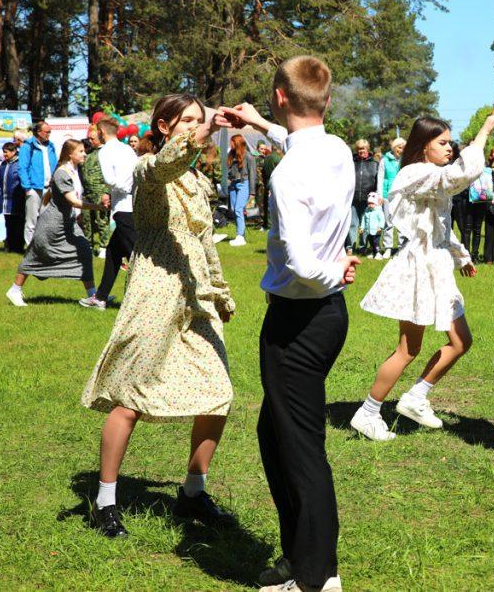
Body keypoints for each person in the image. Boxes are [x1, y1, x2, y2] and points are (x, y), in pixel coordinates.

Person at [215, 57, 357, 592]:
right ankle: (300, 558)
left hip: (301, 316)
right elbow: (297, 137)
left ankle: (318, 577)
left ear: (280, 94)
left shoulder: (289, 172)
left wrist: (333, 272)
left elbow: (300, 262)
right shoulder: (335, 147)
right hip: (322, 315)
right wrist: (256, 122)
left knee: (299, 448)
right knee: (275, 436)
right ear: (324, 99)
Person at [81, 94, 237, 539]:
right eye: (187, 121)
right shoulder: (147, 170)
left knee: (217, 393)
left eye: (199, 121)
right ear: (165, 127)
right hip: (154, 293)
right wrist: (202, 132)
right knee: (130, 396)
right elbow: (167, 163)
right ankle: (105, 500)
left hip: (195, 295)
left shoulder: (197, 182)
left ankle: (192, 491)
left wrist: (220, 291)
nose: (195, 127)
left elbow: (204, 242)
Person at [352, 115, 494, 442]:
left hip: (435, 266)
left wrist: (461, 257)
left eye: (450, 143)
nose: (450, 148)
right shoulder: (416, 173)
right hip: (418, 270)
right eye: (443, 143)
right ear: (423, 145)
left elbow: (439, 226)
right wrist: (484, 132)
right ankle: (370, 412)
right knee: (408, 348)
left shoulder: (429, 174)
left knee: (457, 342)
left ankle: (413, 397)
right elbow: (461, 174)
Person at [5, 139, 107, 306]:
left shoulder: (74, 170)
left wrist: (78, 215)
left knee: (84, 252)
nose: (84, 154)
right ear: (70, 154)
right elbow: (73, 201)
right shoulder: (62, 173)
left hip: (68, 223)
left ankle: (92, 295)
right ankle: (15, 290)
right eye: (80, 151)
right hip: (51, 226)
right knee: (34, 257)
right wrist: (98, 207)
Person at [79, 119, 139, 310]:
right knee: (113, 252)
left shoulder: (105, 151)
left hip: (124, 208)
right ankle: (101, 297)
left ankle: (155, 297)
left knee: (138, 257)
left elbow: (110, 179)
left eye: (95, 132)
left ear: (102, 132)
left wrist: (118, 189)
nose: (92, 135)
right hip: (132, 205)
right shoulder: (128, 149)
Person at [18, 120, 57, 247]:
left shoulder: (51, 146)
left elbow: (55, 165)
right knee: (31, 220)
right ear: (39, 132)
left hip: (49, 188)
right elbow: (22, 168)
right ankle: (30, 247)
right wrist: (27, 187)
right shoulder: (27, 146)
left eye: (50, 132)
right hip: (34, 188)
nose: (49, 134)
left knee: (47, 219)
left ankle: (44, 246)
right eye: (47, 132)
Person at [79, 121, 112, 259]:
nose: (90, 141)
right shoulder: (89, 153)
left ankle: (104, 247)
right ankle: (89, 245)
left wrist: (107, 192)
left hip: (100, 192)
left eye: (93, 139)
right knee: (87, 221)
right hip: (87, 193)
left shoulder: (107, 153)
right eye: (90, 139)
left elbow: (110, 175)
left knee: (102, 220)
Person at [376, 136, 406, 258]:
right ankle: (387, 248)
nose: (401, 150)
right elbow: (380, 178)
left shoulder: (405, 160)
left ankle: (400, 247)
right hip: (387, 194)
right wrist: (380, 195)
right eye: (399, 147)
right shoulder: (385, 160)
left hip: (401, 194)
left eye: (404, 147)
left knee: (400, 222)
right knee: (388, 222)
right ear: (394, 148)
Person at [224, 134, 256, 246]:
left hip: (243, 184)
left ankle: (240, 236)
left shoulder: (249, 156)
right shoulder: (231, 154)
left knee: (238, 209)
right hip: (232, 185)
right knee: (233, 209)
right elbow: (228, 171)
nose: (230, 144)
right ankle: (240, 235)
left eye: (231, 142)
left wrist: (252, 193)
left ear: (237, 143)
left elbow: (253, 174)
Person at [349, 139, 378, 253]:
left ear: (368, 149)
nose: (361, 151)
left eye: (363, 148)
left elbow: (377, 181)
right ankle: (350, 246)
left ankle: (362, 246)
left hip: (368, 199)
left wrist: (375, 196)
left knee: (365, 223)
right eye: (359, 149)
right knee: (352, 223)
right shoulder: (351, 163)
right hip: (353, 198)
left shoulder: (374, 164)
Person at [0, 141, 26, 253]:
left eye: (6, 152)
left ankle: (18, 247)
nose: (4, 155)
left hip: (17, 200)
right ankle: (10, 245)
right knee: (8, 223)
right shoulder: (4, 164)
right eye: (3, 152)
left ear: (14, 151)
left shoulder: (19, 164)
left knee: (18, 224)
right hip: (5, 200)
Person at [360, 192, 385, 258]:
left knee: (376, 242)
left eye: (372, 203)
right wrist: (362, 227)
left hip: (376, 231)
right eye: (369, 203)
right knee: (371, 242)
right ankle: (373, 252)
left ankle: (378, 253)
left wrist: (380, 227)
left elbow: (382, 219)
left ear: (376, 203)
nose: (370, 205)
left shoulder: (378, 211)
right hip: (368, 231)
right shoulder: (366, 210)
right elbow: (363, 219)